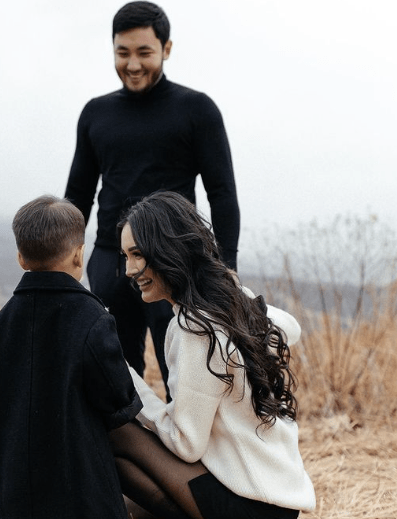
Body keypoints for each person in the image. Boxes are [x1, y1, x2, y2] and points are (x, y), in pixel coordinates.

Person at [65, 1, 240, 389]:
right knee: (116, 381)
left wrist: (227, 265)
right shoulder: (95, 114)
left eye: (144, 52)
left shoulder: (197, 109)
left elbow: (222, 193)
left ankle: (188, 431)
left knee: (187, 375)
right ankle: (127, 433)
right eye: (122, 52)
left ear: (166, 48)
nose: (132, 64)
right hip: (110, 261)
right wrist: (62, 260)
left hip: (176, 261)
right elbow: (78, 194)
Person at [111, 191, 316, 519]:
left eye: (137, 254)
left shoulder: (194, 326)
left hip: (250, 506)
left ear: (168, 249)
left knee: (118, 434)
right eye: (125, 256)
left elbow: (186, 444)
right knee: (131, 508)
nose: (128, 269)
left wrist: (123, 375)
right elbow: (291, 327)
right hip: (281, 502)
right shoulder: (236, 301)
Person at [0, 195, 142, 519]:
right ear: (79, 255)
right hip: (84, 499)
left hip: (17, 499)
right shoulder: (92, 319)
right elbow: (120, 403)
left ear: (20, 258)